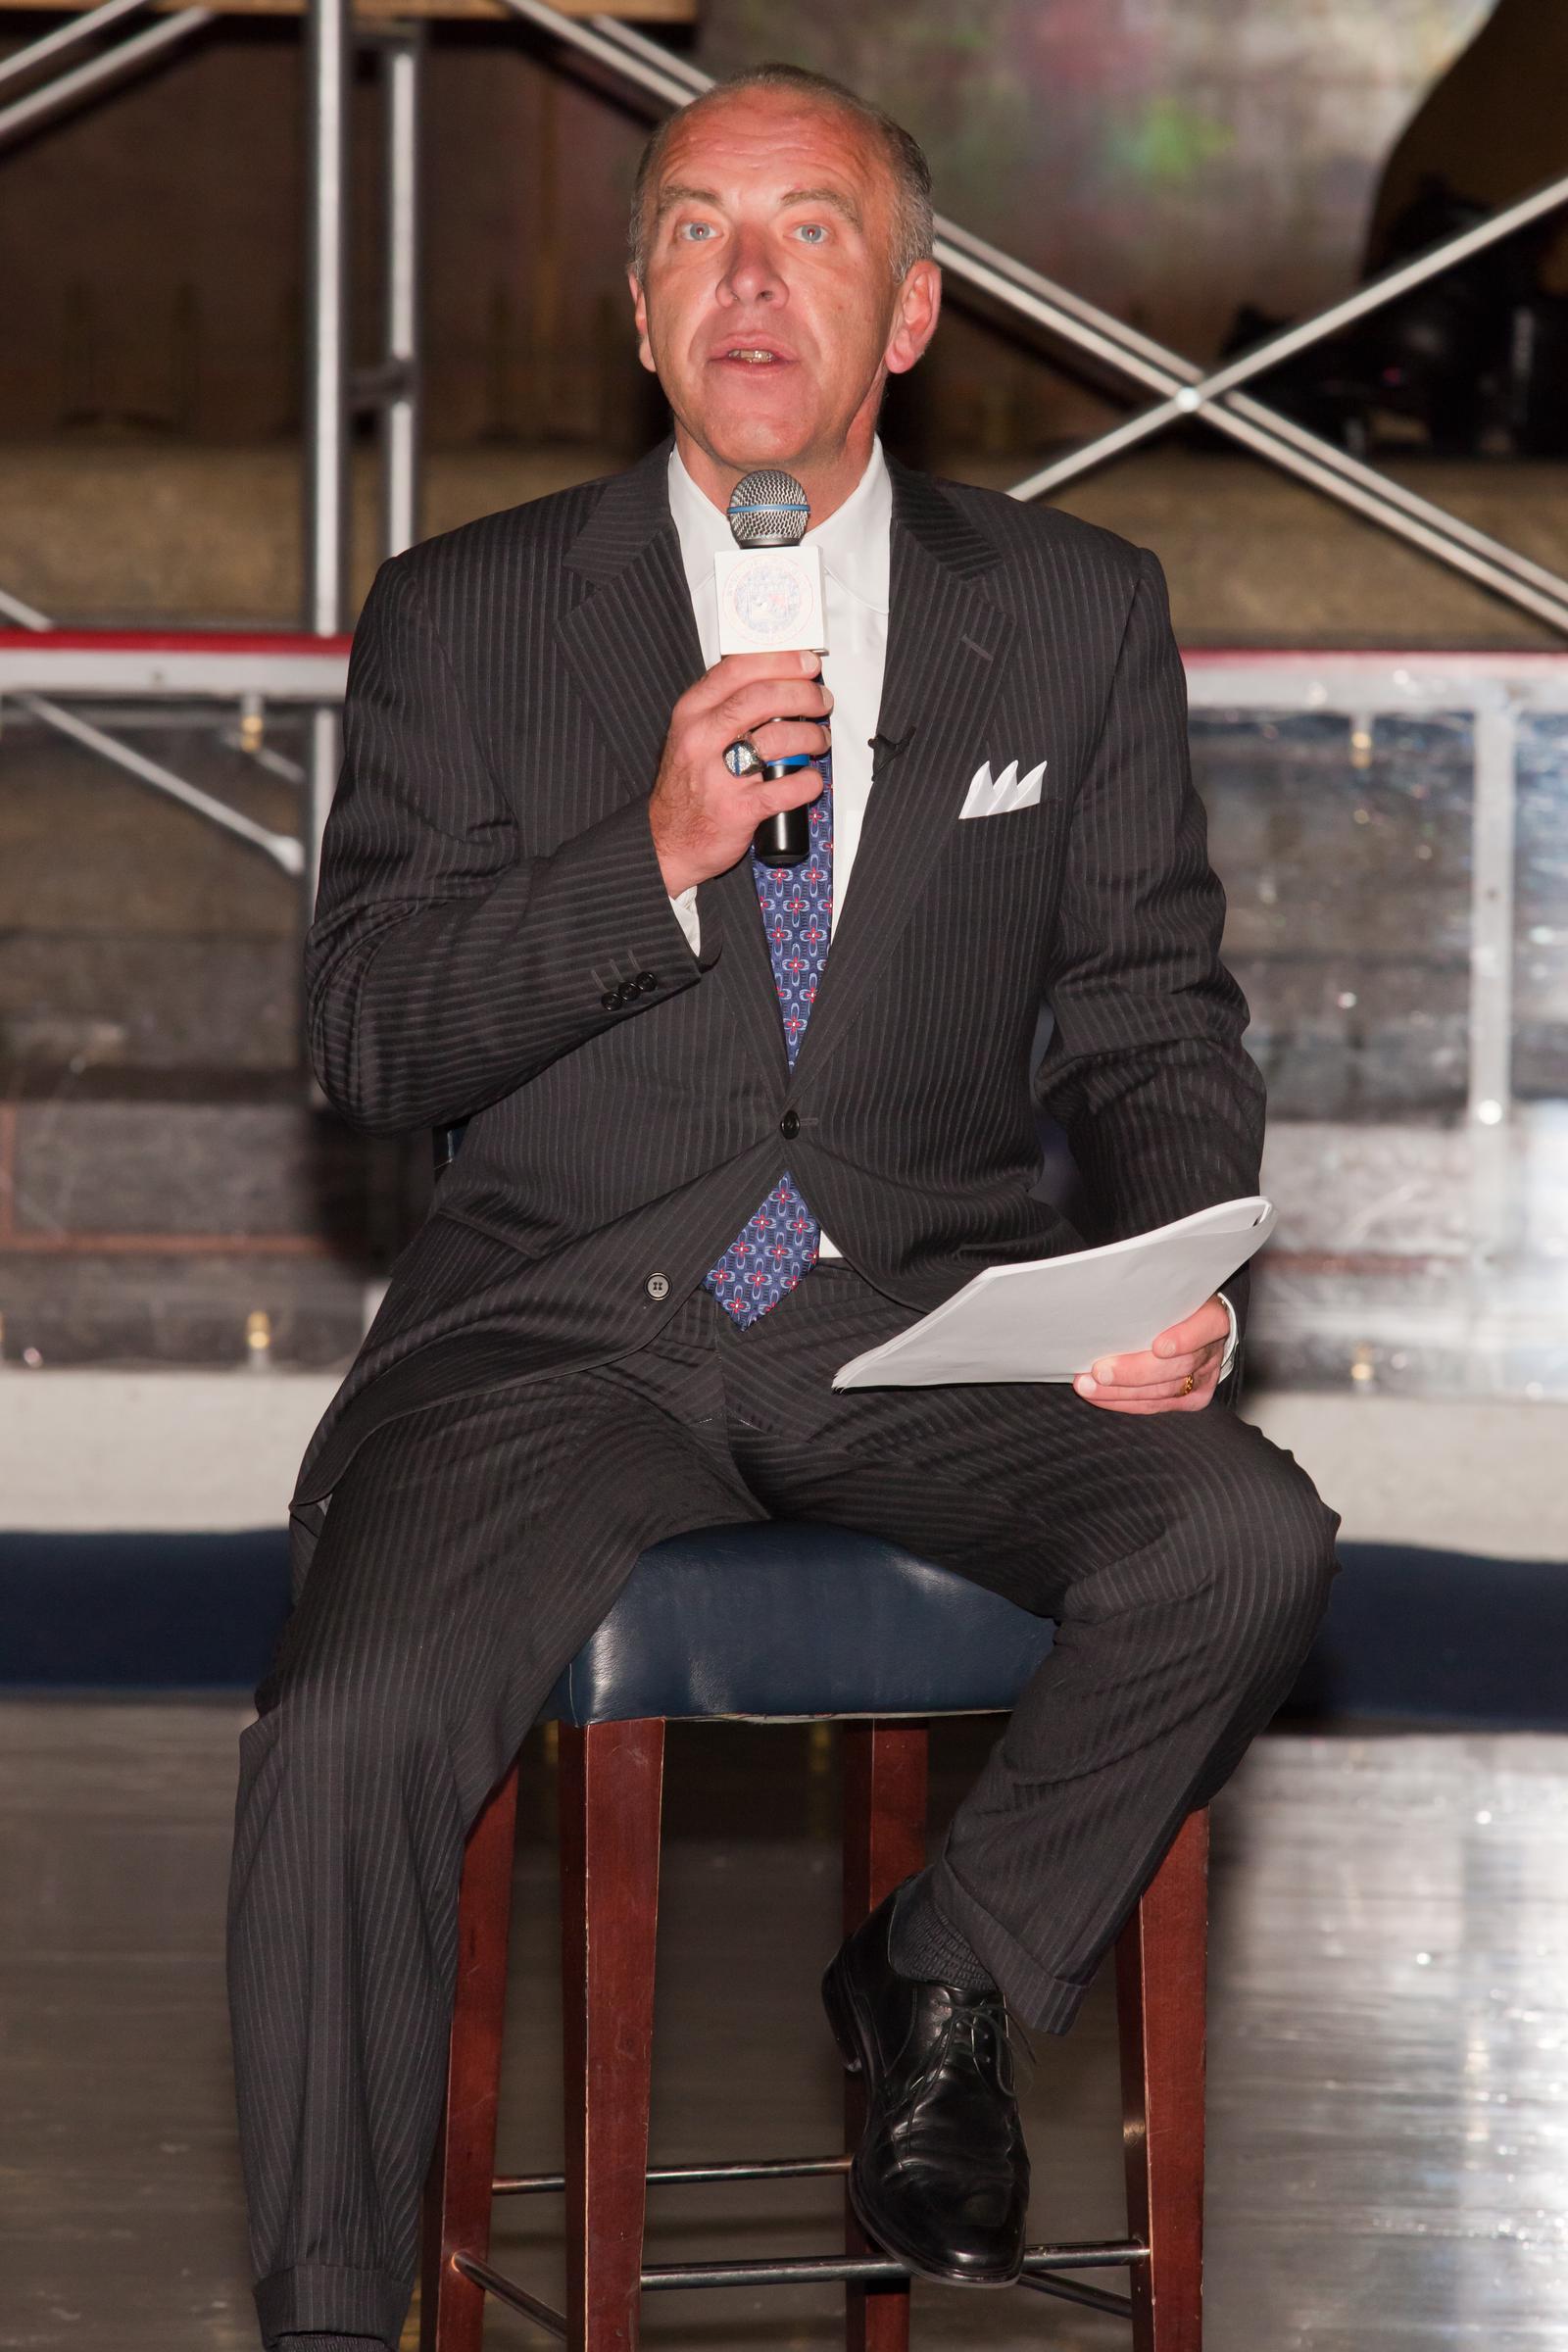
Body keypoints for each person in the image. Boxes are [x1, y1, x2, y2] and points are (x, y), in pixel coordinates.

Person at [225, 62, 1341, 2350]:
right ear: (638, 313)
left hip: (907, 1325)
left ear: (909, 314)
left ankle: (938, 1968)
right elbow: (371, 1039)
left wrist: (1174, 1267)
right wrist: (641, 857)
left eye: (810, 230)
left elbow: (1147, 1020)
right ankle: (333, 2322)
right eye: (698, 233)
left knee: (1240, 1535)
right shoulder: (466, 615)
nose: (750, 275)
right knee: (338, 1739)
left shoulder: (1072, 610)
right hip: (557, 1332)